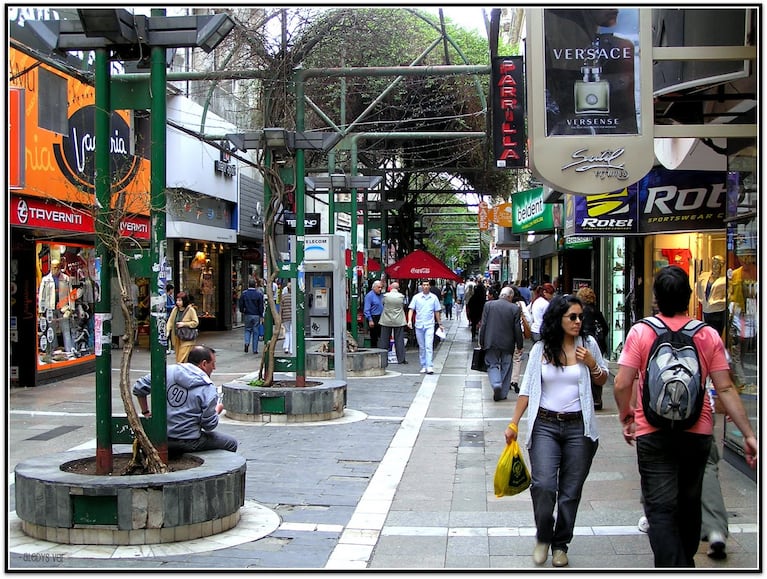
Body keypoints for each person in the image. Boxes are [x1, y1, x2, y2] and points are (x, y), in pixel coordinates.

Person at [613, 266, 757, 568]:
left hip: (652, 430)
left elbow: (622, 382)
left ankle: (674, 566)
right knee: (690, 502)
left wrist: (627, 415)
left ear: (657, 298)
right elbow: (726, 388)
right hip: (698, 430)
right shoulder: (707, 335)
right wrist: (748, 433)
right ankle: (684, 560)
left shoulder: (641, 331)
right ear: (689, 297)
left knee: (660, 508)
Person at [504, 294, 607, 567]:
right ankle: (543, 536)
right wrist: (514, 422)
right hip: (545, 425)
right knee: (544, 486)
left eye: (580, 317)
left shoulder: (588, 345)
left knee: (571, 491)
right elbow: (527, 389)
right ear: (558, 319)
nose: (577, 322)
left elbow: (603, 377)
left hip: (579, 427)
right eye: (572, 317)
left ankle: (560, 544)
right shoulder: (541, 349)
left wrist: (592, 365)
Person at [133, 345, 238, 455]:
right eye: (213, 364)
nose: (214, 368)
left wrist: (145, 412)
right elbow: (209, 426)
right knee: (231, 443)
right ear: (204, 364)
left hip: (161, 435)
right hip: (189, 440)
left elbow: (138, 388)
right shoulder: (208, 388)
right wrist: (217, 410)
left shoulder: (168, 371)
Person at [479, 286, 523, 402]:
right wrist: (519, 345)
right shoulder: (515, 308)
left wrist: (482, 341)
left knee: (492, 364)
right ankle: (502, 393)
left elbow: (483, 325)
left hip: (491, 341)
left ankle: (496, 383)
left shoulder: (488, 305)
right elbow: (517, 328)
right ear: (509, 297)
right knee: (507, 367)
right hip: (508, 344)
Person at [576, 287, 610, 410]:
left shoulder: (581, 312)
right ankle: (597, 398)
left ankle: (589, 396)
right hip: (598, 343)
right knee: (597, 368)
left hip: (586, 342)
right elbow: (605, 328)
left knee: (586, 369)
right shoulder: (596, 311)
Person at [38, 258, 75, 354]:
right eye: (54, 267)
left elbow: (70, 294)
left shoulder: (66, 278)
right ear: (51, 267)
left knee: (66, 329)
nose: (56, 269)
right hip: (50, 308)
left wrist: (71, 308)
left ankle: (69, 350)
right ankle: (53, 350)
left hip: (63, 307)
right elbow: (42, 296)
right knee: (51, 330)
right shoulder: (46, 280)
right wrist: (41, 311)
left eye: (57, 267)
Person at [407, 280, 443, 374]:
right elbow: (411, 309)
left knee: (428, 346)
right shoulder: (416, 297)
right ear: (421, 286)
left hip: (429, 325)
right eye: (424, 285)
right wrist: (410, 320)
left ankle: (429, 366)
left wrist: (440, 323)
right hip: (419, 325)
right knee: (422, 346)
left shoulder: (434, 298)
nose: (426, 286)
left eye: (427, 285)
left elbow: (437, 311)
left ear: (429, 286)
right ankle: (423, 365)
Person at [378, 281, 408, 364]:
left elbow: (383, 304)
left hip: (386, 319)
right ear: (398, 288)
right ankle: (401, 359)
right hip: (398, 320)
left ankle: (383, 359)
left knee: (384, 340)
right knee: (399, 340)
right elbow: (403, 305)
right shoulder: (401, 297)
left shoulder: (385, 296)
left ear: (390, 288)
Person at [696, 255, 726, 335]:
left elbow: (729, 295)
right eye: (713, 263)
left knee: (716, 335)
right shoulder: (704, 276)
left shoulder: (725, 279)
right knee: (706, 334)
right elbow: (698, 289)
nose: (714, 266)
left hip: (718, 311)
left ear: (721, 265)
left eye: (717, 264)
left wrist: (720, 301)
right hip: (706, 310)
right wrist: (701, 300)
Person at [510, 287, 532, 393]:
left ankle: (506, 380)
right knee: (517, 357)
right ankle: (514, 381)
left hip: (506, 333)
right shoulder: (520, 303)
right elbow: (528, 317)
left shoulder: (506, 303)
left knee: (506, 358)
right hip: (519, 333)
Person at [166, 291, 199, 363]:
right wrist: (167, 331)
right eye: (177, 300)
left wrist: (184, 324)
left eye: (180, 300)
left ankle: (179, 372)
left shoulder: (190, 310)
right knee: (179, 358)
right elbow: (170, 321)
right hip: (177, 337)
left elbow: (195, 322)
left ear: (184, 301)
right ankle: (184, 372)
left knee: (181, 359)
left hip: (187, 338)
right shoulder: (175, 309)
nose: (178, 302)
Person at [238, 279, 264, 354]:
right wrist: (261, 315)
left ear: (248, 285)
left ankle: (247, 342)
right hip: (256, 315)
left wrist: (242, 311)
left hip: (248, 314)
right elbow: (261, 306)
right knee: (256, 332)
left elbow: (241, 304)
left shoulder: (244, 294)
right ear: (255, 285)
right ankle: (255, 349)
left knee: (247, 329)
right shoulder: (259, 294)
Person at [364, 280, 384, 349]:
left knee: (382, 335)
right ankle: (374, 351)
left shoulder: (381, 295)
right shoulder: (369, 296)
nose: (380, 289)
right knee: (374, 337)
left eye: (381, 287)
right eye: (378, 287)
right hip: (374, 317)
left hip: (381, 317)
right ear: (374, 287)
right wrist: (370, 320)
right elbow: (366, 309)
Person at [280, 283, 293, 355]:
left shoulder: (283, 297)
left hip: (285, 317)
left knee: (287, 332)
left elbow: (281, 308)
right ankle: (291, 349)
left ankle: (286, 347)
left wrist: (280, 317)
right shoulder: (294, 297)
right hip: (292, 317)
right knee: (292, 332)